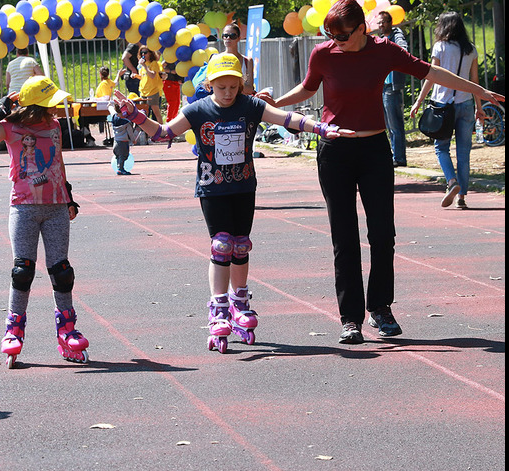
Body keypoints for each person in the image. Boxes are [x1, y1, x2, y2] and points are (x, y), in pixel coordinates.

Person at [259, 0, 503, 344]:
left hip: (374, 150)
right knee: (344, 238)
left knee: (382, 235)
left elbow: (430, 72)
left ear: (362, 28)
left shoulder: (384, 51)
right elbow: (308, 88)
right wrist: (276, 105)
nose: (335, 41)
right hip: (334, 151)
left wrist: (477, 90)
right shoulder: (324, 54)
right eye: (330, 34)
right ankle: (350, 319)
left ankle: (380, 308)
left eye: (342, 35)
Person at [112, 53, 351, 353]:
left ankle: (240, 300)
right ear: (210, 84)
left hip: (243, 187)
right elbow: (162, 133)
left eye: (233, 88)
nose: (227, 93)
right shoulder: (198, 110)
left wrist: (320, 128)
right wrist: (135, 114)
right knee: (221, 244)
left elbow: (287, 118)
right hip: (213, 190)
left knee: (241, 245)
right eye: (221, 87)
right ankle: (219, 307)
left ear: (241, 85)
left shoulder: (250, 106)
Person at [0, 76, 88, 367]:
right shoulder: (10, 128)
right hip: (23, 208)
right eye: (51, 104)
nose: (56, 108)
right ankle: (13, 329)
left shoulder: (55, 126)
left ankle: (67, 329)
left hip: (56, 207)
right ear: (35, 107)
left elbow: (58, 162)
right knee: (23, 270)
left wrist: (68, 196)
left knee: (61, 270)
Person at [411, 11, 484, 209]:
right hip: (466, 103)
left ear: (443, 27)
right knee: (464, 152)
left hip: (443, 105)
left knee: (441, 147)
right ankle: (461, 197)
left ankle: (452, 182)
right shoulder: (471, 49)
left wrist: (419, 101)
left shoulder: (440, 47)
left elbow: (432, 76)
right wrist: (479, 108)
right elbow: (475, 82)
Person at [377, 11, 409, 167]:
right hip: (382, 86)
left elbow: (403, 49)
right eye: (379, 23)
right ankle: (394, 156)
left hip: (393, 87)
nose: (381, 25)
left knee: (395, 124)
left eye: (383, 22)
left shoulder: (396, 35)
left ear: (390, 22)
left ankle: (400, 158)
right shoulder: (380, 39)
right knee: (388, 124)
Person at [219, 22, 256, 95]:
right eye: (225, 35)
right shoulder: (217, 59)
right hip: (223, 102)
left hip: (241, 103)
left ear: (238, 38)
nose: (228, 38)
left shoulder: (247, 61)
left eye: (232, 36)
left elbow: (249, 89)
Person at [137, 46, 164, 122]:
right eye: (141, 52)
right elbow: (144, 77)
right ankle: (145, 131)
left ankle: (162, 131)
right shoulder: (142, 64)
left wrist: (145, 66)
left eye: (145, 52)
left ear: (150, 53)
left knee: (156, 112)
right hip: (143, 91)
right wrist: (136, 76)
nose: (143, 54)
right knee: (143, 113)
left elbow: (152, 75)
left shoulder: (154, 63)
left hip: (152, 91)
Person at [110, 99, 134, 175]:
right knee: (123, 156)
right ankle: (120, 168)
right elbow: (130, 132)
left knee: (118, 156)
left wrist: (109, 106)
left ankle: (119, 167)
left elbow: (111, 110)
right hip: (123, 142)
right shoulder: (126, 122)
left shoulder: (114, 117)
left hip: (116, 141)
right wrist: (133, 140)